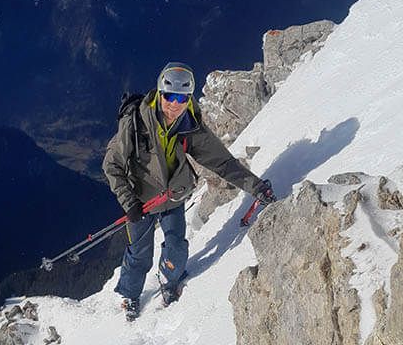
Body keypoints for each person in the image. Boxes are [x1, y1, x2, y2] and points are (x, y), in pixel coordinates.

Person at [102, 62, 276, 321]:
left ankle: (169, 280)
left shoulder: (190, 127)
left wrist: (257, 187)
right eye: (170, 96)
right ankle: (130, 293)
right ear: (160, 93)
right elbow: (111, 165)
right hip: (140, 201)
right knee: (139, 253)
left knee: (176, 247)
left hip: (172, 196)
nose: (175, 104)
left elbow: (223, 163)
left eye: (182, 98)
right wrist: (129, 202)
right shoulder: (136, 122)